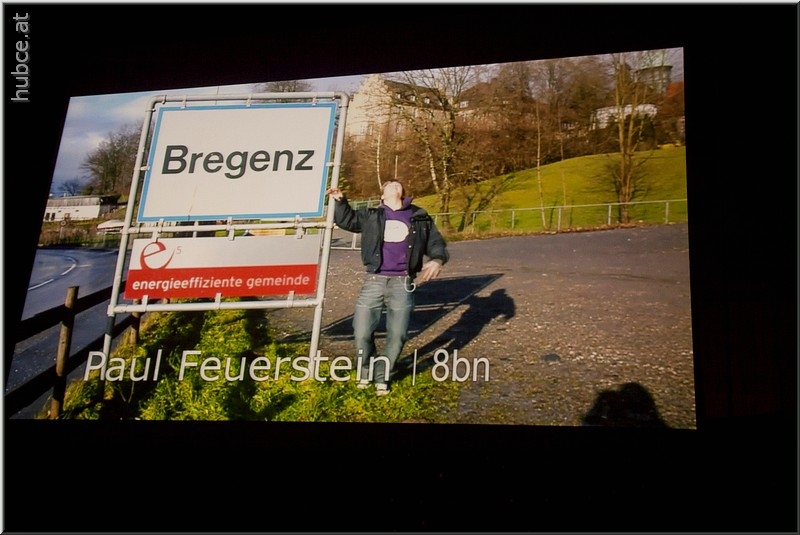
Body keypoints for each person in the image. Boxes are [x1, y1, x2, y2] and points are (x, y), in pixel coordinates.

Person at [326, 180, 449, 395]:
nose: (393, 184)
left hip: (403, 282)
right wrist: (340, 200)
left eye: (396, 184)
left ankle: (383, 375)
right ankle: (366, 370)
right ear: (382, 196)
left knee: (398, 334)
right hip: (374, 280)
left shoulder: (419, 216)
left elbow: (435, 242)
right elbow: (347, 220)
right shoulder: (372, 215)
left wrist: (438, 259)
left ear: (403, 192)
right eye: (388, 184)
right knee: (361, 331)